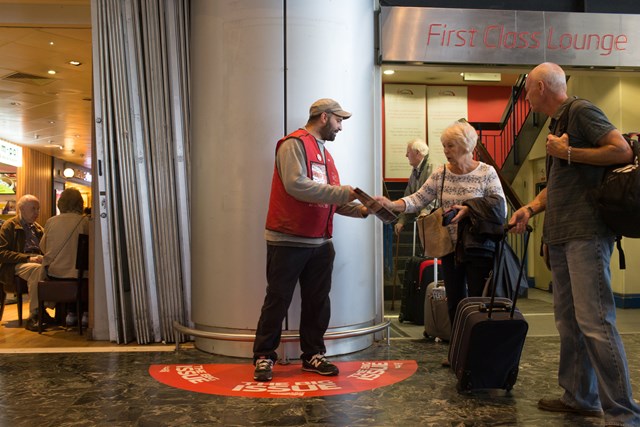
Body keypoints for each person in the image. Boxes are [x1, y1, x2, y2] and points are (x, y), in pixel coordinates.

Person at [508, 62, 640, 426]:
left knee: (596, 322)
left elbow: (622, 152)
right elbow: (561, 186)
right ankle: (580, 397)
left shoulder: (580, 111)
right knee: (569, 322)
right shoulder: (557, 125)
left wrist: (569, 153)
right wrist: (531, 209)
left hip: (586, 233)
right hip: (562, 235)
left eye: (528, 90)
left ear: (540, 87)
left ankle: (623, 412)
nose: (527, 97)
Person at [253, 98, 368, 382]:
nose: (341, 127)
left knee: (318, 302)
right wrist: (346, 192)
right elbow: (297, 186)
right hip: (288, 239)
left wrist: (364, 209)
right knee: (277, 301)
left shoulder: (325, 154)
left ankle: (313, 354)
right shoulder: (293, 143)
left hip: (320, 243)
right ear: (324, 117)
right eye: (339, 120)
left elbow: (331, 200)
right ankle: (264, 356)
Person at [376, 120, 506, 329]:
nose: (445, 150)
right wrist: (392, 204)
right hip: (449, 247)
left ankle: (476, 350)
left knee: (477, 301)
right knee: (454, 301)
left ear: (466, 145)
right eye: (444, 145)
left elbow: (500, 208)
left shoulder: (486, 172)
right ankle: (457, 348)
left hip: (478, 247)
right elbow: (417, 199)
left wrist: (469, 209)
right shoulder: (441, 172)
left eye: (450, 146)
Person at [40, 188, 90, 327]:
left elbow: (43, 247)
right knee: (86, 275)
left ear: (61, 203)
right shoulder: (86, 222)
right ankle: (85, 313)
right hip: (80, 275)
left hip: (56, 274)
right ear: (80, 203)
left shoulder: (51, 221)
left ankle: (69, 313)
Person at [0, 194, 50, 331]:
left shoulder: (38, 228)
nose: (37, 213)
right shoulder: (9, 226)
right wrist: (27, 258)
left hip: (36, 262)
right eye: (33, 209)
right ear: (21, 208)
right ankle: (34, 314)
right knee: (36, 269)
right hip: (15, 265)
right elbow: (2, 253)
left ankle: (44, 309)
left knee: (54, 269)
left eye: (38, 209)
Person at [394, 138, 433, 236]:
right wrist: (401, 220)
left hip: (431, 223)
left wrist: (424, 215)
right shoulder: (416, 170)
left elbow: (433, 196)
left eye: (408, 152)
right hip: (424, 223)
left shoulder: (432, 168)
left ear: (418, 153)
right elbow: (409, 196)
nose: (406, 155)